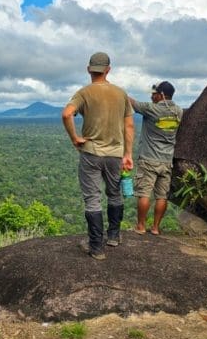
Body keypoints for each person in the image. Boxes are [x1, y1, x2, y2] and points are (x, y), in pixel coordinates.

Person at [62, 51, 134, 259]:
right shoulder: (121, 93)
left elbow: (67, 114)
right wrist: (127, 153)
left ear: (89, 70)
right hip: (115, 154)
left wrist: (75, 138)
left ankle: (96, 247)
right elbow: (128, 125)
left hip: (91, 153)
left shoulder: (84, 93)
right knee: (114, 194)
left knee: (93, 199)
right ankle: (113, 236)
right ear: (108, 69)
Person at [129, 81, 183, 236]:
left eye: (154, 94)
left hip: (148, 160)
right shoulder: (178, 111)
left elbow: (131, 102)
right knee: (162, 196)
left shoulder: (151, 109)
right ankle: (155, 228)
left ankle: (140, 226)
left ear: (161, 95)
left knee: (144, 193)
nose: (152, 96)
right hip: (167, 161)